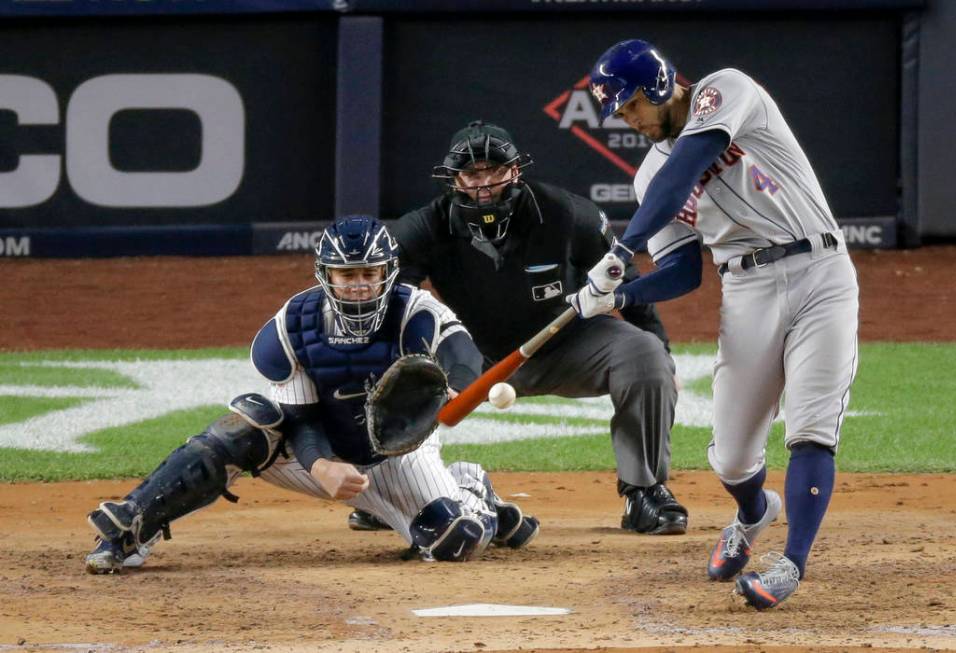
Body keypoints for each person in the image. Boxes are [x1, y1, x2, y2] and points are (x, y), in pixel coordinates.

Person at [84, 215, 539, 574]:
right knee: (249, 422)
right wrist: (321, 466)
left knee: (452, 542)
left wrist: (457, 388)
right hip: (319, 453)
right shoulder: (293, 324)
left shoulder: (416, 311)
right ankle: (132, 524)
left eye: (370, 273)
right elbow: (299, 419)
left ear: (388, 272)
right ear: (327, 275)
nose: (360, 284)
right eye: (348, 274)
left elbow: (464, 356)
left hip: (402, 454)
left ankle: (470, 489)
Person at [574, 39, 860, 609]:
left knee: (810, 426)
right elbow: (682, 271)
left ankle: (790, 565)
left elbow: (686, 168)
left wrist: (622, 249)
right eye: (619, 112)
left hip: (821, 271)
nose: (628, 121)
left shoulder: (725, 89)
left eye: (631, 105)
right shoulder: (646, 177)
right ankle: (754, 512)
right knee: (730, 457)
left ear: (659, 85)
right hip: (746, 290)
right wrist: (616, 297)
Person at [355, 120, 688, 537]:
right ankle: (395, 490)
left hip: (567, 343)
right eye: (473, 174)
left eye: (495, 171)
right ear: (454, 178)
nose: (485, 184)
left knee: (644, 356)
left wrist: (663, 351)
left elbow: (626, 280)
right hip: (472, 355)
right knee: (391, 363)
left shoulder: (566, 214)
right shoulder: (425, 228)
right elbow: (389, 300)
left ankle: (645, 493)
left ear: (515, 171)